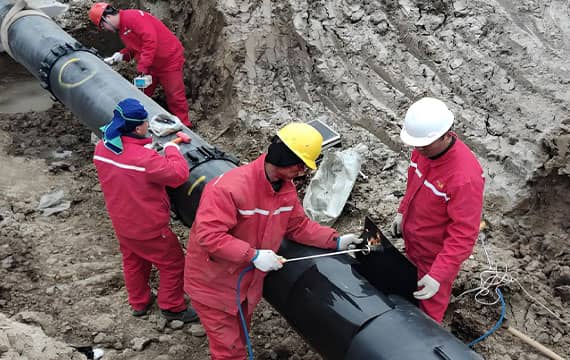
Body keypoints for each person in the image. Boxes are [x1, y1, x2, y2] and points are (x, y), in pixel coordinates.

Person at [184, 122, 362, 359]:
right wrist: (253, 255)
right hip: (213, 285)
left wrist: (337, 241)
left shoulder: (285, 190)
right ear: (283, 157)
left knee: (241, 336)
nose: (303, 172)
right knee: (230, 351)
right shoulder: (228, 188)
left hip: (243, 284)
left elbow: (298, 226)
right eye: (300, 165)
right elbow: (209, 236)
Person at [93, 97, 197, 322]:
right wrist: (170, 148)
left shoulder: (102, 147)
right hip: (148, 226)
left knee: (133, 260)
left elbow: (126, 166)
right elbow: (178, 175)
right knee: (173, 262)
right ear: (138, 127)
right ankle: (172, 306)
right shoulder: (145, 159)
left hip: (122, 222)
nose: (148, 126)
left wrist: (144, 146)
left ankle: (139, 302)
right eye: (145, 123)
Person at [391, 97, 485, 323]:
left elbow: (463, 235)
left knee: (429, 307)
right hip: (415, 241)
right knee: (409, 283)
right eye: (415, 144)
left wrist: (437, 275)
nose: (417, 149)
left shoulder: (464, 178)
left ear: (445, 134)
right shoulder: (424, 149)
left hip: (436, 256)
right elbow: (413, 182)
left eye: (423, 145)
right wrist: (402, 211)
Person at [88, 3, 192, 128]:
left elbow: (150, 41)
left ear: (107, 18)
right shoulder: (122, 28)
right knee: (142, 92)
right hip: (152, 63)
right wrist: (120, 55)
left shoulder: (133, 18)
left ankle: (185, 126)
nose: (105, 30)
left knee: (174, 95)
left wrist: (142, 67)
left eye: (103, 26)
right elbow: (136, 47)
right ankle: (137, 122)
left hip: (169, 59)